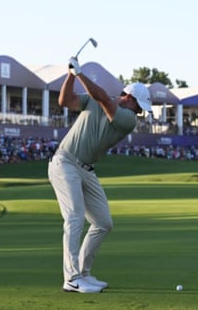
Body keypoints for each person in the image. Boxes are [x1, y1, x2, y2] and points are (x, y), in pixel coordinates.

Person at [48, 56, 152, 293]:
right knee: (74, 217)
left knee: (103, 223)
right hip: (65, 162)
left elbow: (103, 98)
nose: (139, 113)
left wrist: (80, 74)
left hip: (86, 170)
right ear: (129, 98)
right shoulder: (98, 101)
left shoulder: (127, 120)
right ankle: (72, 278)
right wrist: (70, 74)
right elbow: (65, 100)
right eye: (139, 107)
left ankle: (83, 273)